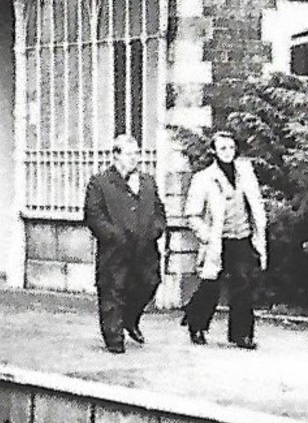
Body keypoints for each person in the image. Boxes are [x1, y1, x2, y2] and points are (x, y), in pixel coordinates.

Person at [181, 130, 268, 349]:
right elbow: (192, 213)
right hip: (218, 240)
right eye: (222, 148)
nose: (228, 152)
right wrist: (207, 236)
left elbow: (256, 203)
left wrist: (258, 234)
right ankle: (196, 323)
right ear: (214, 151)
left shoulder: (246, 173)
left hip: (242, 236)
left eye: (231, 147)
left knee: (243, 284)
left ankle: (242, 335)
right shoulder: (204, 178)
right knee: (211, 285)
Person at [83, 134, 167, 354]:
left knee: (149, 283)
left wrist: (155, 230)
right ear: (116, 155)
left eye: (137, 153)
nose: (134, 159)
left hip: (145, 249)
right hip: (115, 250)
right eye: (129, 154)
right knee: (113, 290)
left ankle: (130, 319)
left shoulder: (147, 182)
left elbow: (159, 211)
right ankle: (114, 338)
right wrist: (114, 236)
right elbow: (94, 215)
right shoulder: (100, 182)